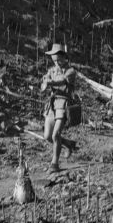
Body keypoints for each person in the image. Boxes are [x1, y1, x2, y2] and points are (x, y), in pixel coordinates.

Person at [41, 43, 76, 173]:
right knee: (47, 136)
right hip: (52, 104)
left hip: (63, 103)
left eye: (58, 60)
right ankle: (68, 144)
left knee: (56, 134)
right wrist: (45, 82)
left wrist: (50, 82)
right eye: (54, 60)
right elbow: (43, 84)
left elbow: (63, 81)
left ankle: (54, 164)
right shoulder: (51, 70)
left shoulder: (70, 71)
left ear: (63, 57)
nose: (56, 62)